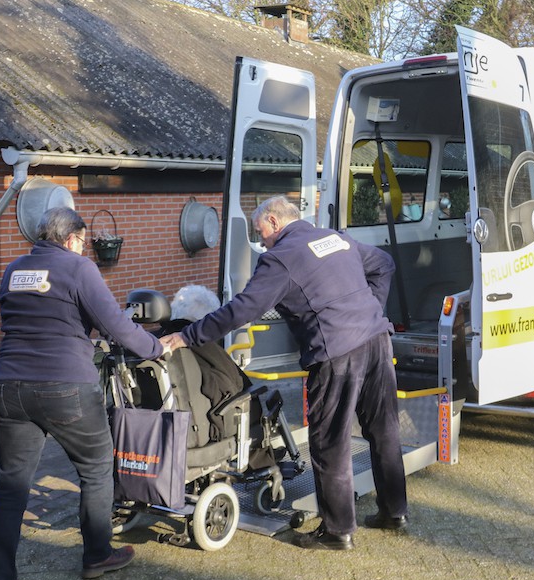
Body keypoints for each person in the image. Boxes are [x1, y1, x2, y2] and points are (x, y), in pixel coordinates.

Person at [161, 195, 408, 550]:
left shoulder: (280, 258)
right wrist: (369, 308)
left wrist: (188, 335)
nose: (261, 241)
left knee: (330, 441)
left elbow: (242, 309)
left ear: (275, 221)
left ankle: (338, 532)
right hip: (376, 341)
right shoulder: (336, 238)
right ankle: (394, 511)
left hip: (337, 354)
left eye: (261, 232)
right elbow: (384, 264)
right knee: (384, 430)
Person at [0, 206, 171, 580]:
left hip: (8, 386)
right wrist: (157, 348)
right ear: (71, 239)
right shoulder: (78, 268)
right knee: (95, 467)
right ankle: (97, 555)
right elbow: (116, 327)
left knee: (11, 486)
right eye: (82, 243)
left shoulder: (13, 270)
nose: (84, 249)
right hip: (65, 384)